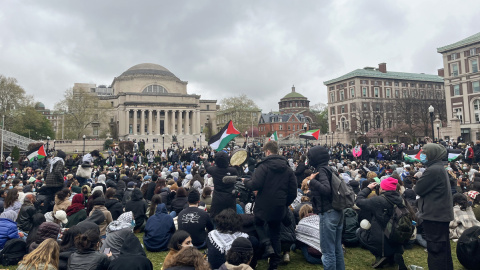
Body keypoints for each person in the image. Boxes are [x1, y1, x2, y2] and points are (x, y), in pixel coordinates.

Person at [242, 141, 296, 270]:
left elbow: (255, 185)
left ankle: (266, 245)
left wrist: (246, 182)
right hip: (279, 207)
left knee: (258, 223)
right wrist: (284, 203)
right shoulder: (288, 169)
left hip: (263, 206)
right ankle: (274, 264)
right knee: (275, 233)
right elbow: (293, 192)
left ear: (267, 152)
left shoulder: (263, 166)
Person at [414, 143, 454, 270]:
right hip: (439, 215)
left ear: (432, 154)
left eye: (424, 153)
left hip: (434, 216)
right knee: (443, 248)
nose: (422, 155)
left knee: (436, 250)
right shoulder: (438, 167)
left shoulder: (433, 170)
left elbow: (418, 189)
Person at [355, 177, 409, 269]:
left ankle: (380, 255)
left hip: (381, 239)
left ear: (382, 188)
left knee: (359, 231)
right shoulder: (401, 199)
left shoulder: (378, 201)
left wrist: (368, 188)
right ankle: (393, 254)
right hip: (397, 236)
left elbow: (359, 201)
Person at [306, 145, 345, 270]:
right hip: (337, 211)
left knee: (328, 251)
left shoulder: (321, 170)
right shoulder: (330, 169)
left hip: (328, 213)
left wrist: (311, 181)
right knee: (337, 248)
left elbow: (326, 189)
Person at [204, 151, 238, 219]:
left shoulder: (213, 170)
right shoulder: (233, 171)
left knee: (215, 218)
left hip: (217, 199)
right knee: (231, 219)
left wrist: (204, 159)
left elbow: (207, 166)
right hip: (230, 198)